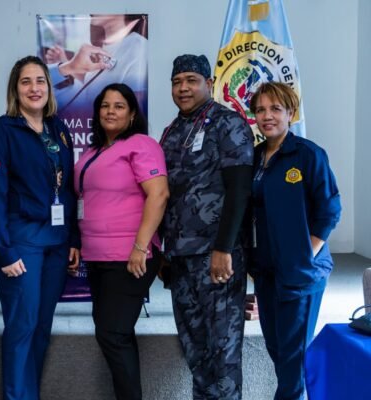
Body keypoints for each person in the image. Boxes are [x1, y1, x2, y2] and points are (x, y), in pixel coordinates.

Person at [0, 55, 80, 400]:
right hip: (21, 242)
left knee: (41, 327)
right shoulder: (1, 131)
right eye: (26, 81)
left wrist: (73, 238)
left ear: (49, 87)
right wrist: (2, 250)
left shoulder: (58, 129)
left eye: (40, 81)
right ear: (15, 89)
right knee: (22, 325)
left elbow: (69, 189)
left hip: (56, 242)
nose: (34, 88)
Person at [158, 54, 254, 399]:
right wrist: (164, 252)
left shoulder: (228, 124)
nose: (183, 88)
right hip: (180, 259)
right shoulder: (173, 130)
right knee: (195, 351)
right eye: (176, 82)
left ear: (209, 84)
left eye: (191, 80)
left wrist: (224, 248)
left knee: (223, 353)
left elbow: (240, 189)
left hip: (217, 257)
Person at [74, 83, 168, 400]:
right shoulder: (94, 151)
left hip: (129, 256)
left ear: (131, 115)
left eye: (118, 106)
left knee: (113, 334)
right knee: (114, 333)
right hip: (97, 256)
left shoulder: (141, 144)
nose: (110, 111)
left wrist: (141, 247)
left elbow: (159, 194)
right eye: (105, 105)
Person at [249, 82, 341, 400]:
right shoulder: (255, 157)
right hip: (266, 272)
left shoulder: (308, 154)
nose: (267, 116)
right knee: (277, 349)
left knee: (293, 360)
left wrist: (305, 254)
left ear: (290, 112)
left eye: (275, 109)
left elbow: (330, 211)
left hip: (301, 274)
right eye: (261, 110)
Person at [46, 14, 147, 114]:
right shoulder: (102, 46)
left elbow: (135, 112)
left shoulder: (137, 48)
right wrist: (65, 63)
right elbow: (94, 83)